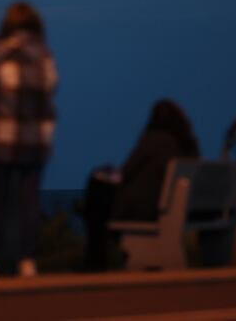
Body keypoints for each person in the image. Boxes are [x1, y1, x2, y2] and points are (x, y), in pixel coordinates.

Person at [0, 1, 58, 280]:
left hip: (2, 139)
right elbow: (52, 88)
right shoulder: (44, 56)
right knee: (29, 201)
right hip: (35, 141)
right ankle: (28, 260)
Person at [82, 99, 200, 270]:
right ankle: (98, 256)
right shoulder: (187, 146)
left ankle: (95, 259)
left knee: (97, 189)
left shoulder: (153, 140)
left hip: (144, 209)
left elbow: (126, 172)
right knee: (99, 201)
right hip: (170, 208)